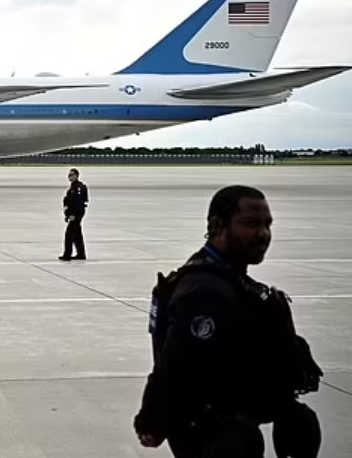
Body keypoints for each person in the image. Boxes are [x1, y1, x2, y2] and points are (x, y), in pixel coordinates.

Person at [134, 185, 323, 458]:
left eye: (267, 225)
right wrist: (152, 420)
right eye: (251, 224)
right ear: (216, 225)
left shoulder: (233, 281)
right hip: (210, 433)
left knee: (300, 424)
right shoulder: (204, 290)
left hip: (234, 424)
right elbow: (175, 364)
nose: (263, 234)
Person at [59, 168, 89, 260]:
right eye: (69, 175)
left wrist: (73, 215)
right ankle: (81, 254)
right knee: (77, 234)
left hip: (76, 214)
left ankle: (67, 255)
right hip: (74, 214)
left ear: (76, 176)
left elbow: (78, 203)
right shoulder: (73, 187)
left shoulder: (78, 188)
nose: (70, 177)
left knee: (69, 235)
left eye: (71, 175)